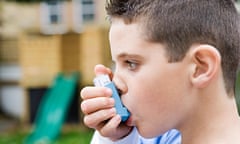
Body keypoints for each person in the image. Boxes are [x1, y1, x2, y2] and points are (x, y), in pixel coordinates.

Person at [80, 0, 240, 143]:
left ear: (201, 67)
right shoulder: (158, 136)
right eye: (116, 65)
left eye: (131, 63)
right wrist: (117, 139)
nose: (115, 84)